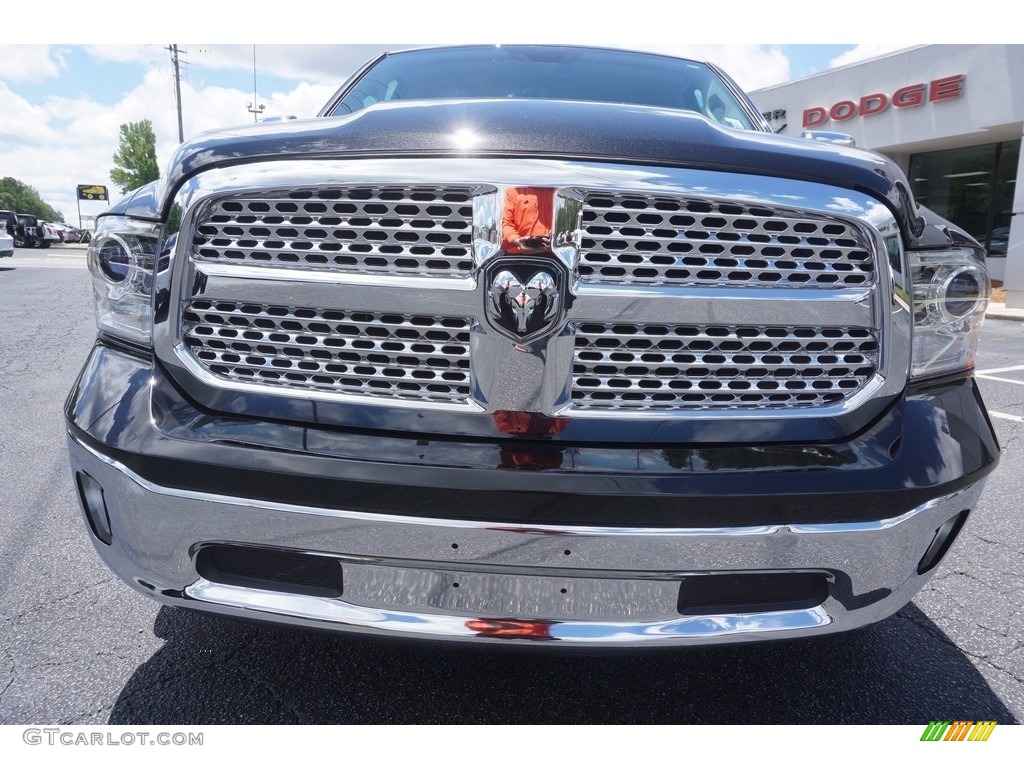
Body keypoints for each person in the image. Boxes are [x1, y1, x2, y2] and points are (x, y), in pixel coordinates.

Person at [502, 187, 554, 253]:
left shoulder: (561, 190)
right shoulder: (514, 190)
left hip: (553, 254)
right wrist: (516, 240)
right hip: (518, 255)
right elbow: (506, 223)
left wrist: (556, 240)